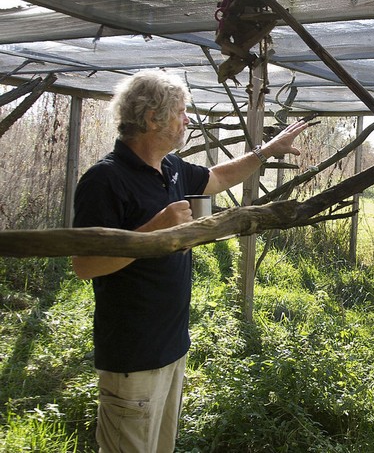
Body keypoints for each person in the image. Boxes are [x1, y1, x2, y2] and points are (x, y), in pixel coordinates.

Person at [71, 69, 307, 452]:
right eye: (181, 111)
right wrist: (156, 230)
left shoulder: (171, 168)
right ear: (152, 118)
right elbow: (85, 265)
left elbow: (215, 177)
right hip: (132, 354)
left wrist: (266, 152)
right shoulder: (105, 180)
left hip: (171, 346)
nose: (187, 119)